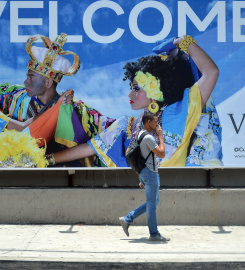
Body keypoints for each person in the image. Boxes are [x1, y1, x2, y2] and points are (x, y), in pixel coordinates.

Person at [50, 35, 222, 167]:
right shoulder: (128, 126)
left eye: (136, 88)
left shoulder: (182, 109)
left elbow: (211, 72)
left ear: (155, 89)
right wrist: (46, 160)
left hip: (178, 194)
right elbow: (90, 148)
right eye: (131, 88)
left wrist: (183, 41)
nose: (129, 95)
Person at [0, 33, 114, 166]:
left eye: (31, 77)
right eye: (27, 76)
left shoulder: (73, 107)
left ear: (48, 83)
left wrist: (66, 111)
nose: (25, 82)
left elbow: (105, 131)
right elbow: (23, 128)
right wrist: (54, 108)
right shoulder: (13, 98)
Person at [119, 112, 169, 241]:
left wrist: (142, 177)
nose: (157, 125)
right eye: (155, 122)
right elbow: (162, 154)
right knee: (152, 203)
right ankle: (154, 234)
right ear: (148, 122)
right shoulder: (149, 138)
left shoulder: (140, 134)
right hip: (150, 173)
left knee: (153, 202)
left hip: (144, 172)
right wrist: (161, 137)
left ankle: (128, 218)